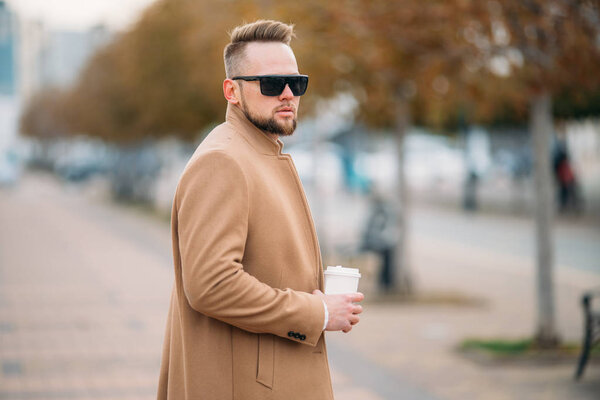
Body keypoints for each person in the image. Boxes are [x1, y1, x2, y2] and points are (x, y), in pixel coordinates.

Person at [157, 20, 364, 399]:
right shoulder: (225, 161)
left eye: (296, 83)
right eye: (270, 84)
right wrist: (316, 314)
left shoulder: (256, 152)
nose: (287, 94)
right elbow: (211, 284)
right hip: (247, 387)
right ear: (232, 91)